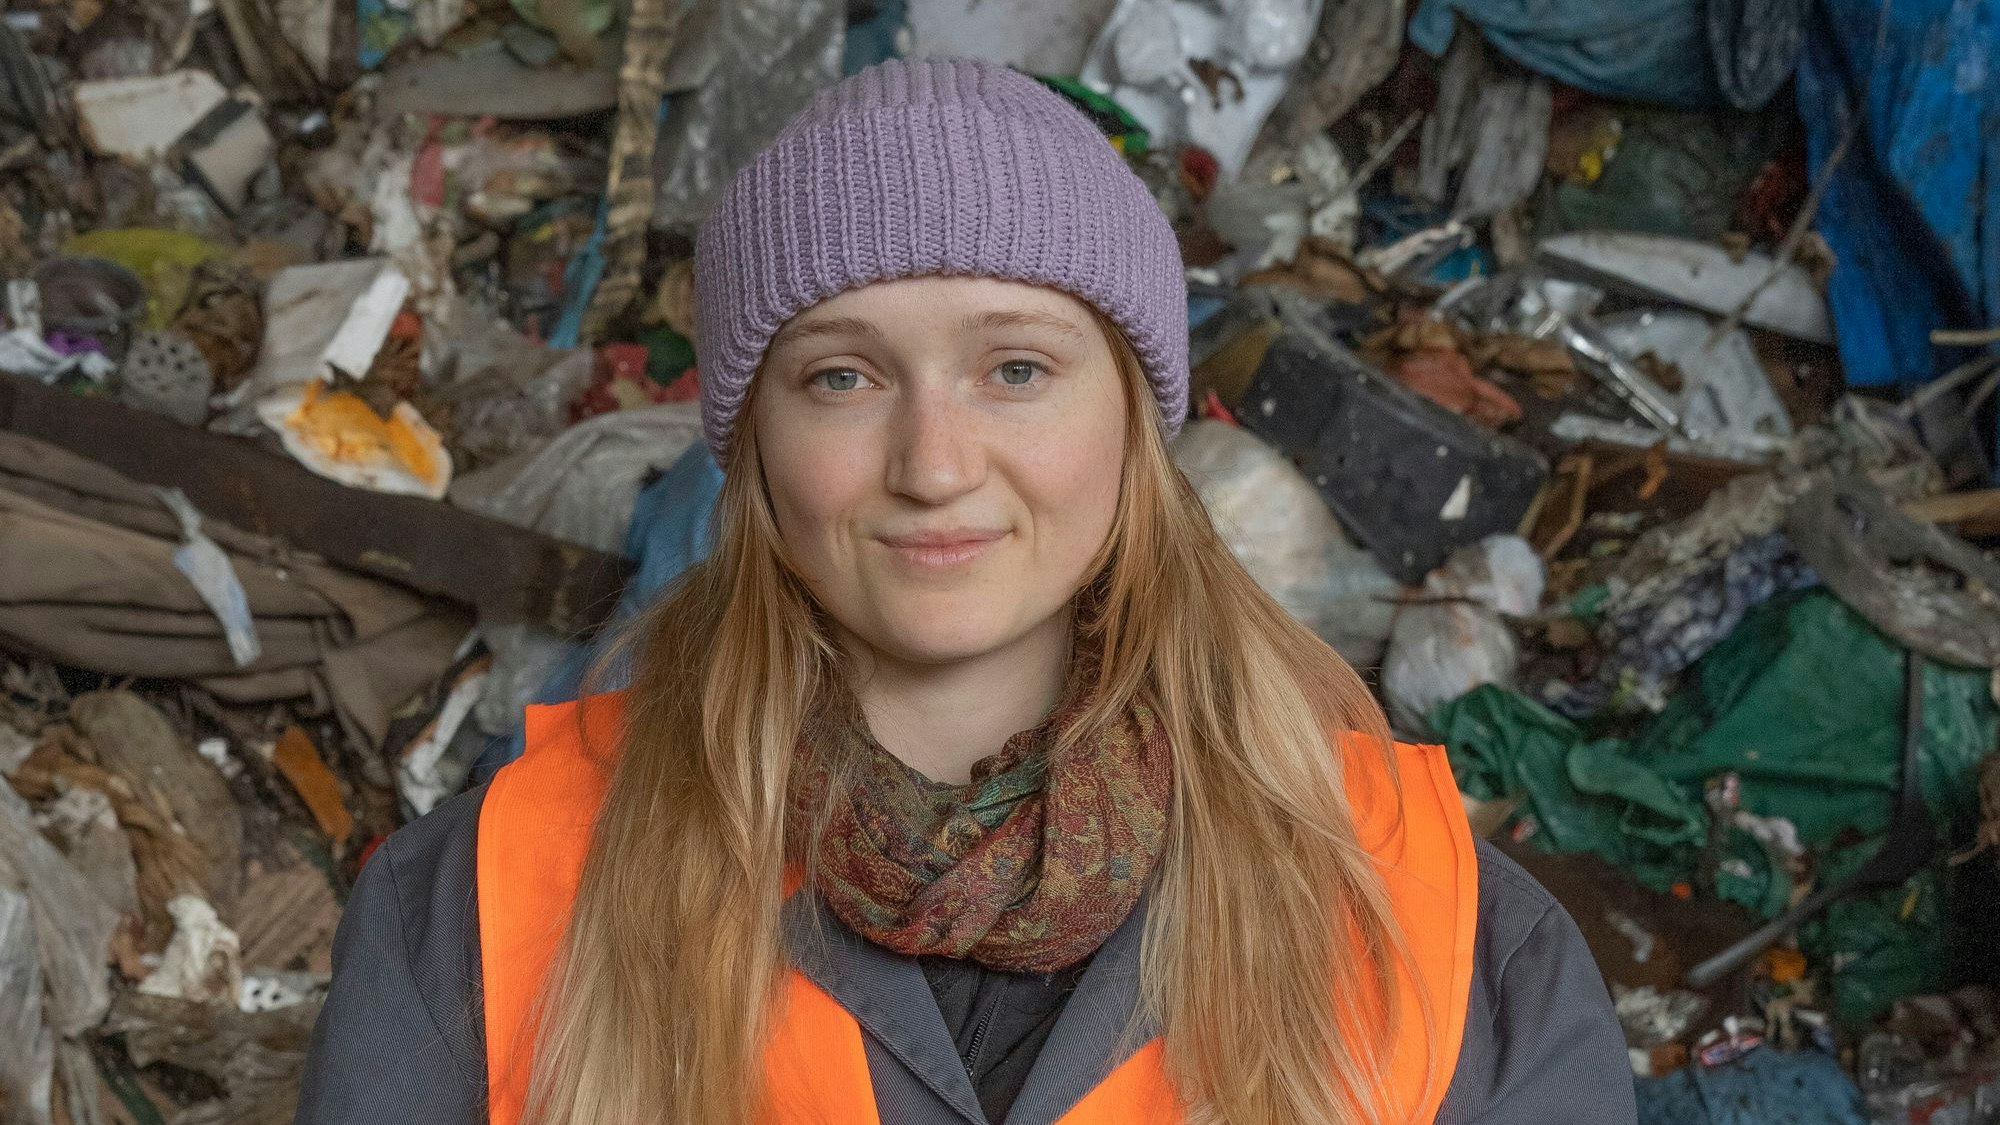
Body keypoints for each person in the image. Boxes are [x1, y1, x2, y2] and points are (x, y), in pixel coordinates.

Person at [296, 57, 1633, 1125]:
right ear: (753, 443)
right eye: (843, 377)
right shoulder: (476, 910)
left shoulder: (1446, 937)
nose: (934, 465)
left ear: (1135, 423)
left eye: (1017, 370)